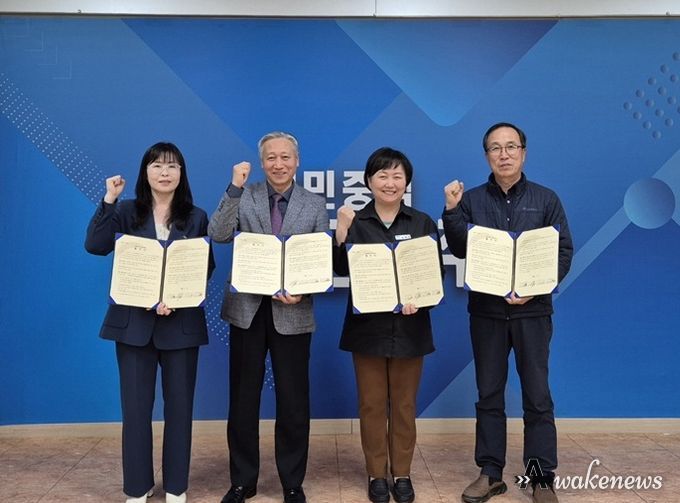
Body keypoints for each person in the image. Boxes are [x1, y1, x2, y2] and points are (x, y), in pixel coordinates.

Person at [442, 123, 573, 503]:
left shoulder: (546, 199)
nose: (504, 154)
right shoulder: (471, 199)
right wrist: (452, 210)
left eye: (511, 147)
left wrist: (535, 288)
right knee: (489, 394)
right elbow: (459, 248)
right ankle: (490, 473)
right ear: (487, 156)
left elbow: (563, 251)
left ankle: (540, 476)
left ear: (523, 152)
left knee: (537, 395)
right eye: (496, 148)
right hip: (487, 313)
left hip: (533, 313)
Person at [85, 142, 214, 503]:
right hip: (133, 326)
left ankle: (176, 487)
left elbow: (205, 267)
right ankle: (137, 487)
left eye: (172, 166)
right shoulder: (126, 211)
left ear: (181, 174)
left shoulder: (196, 216)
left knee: (180, 411)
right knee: (136, 411)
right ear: (145, 172)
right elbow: (95, 245)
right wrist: (109, 199)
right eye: (157, 165)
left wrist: (178, 294)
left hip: (181, 325)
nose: (164, 172)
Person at [208, 131, 329, 503]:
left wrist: (304, 290)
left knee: (294, 401)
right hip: (247, 311)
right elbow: (218, 233)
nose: (279, 164)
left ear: (297, 161)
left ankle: (292, 482)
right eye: (271, 158)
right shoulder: (245, 195)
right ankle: (242, 481)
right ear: (262, 163)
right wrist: (234, 187)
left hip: (293, 312)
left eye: (285, 157)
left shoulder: (314, 204)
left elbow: (319, 259)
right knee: (243, 399)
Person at [334, 147, 442, 503]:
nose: (390, 183)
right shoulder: (356, 221)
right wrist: (341, 231)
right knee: (372, 404)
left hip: (411, 329)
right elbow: (339, 268)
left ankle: (402, 473)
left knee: (405, 405)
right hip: (367, 329)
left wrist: (420, 298)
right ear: (369, 181)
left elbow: (434, 274)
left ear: (407, 182)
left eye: (397, 176)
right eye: (382, 175)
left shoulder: (422, 222)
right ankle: (376, 474)